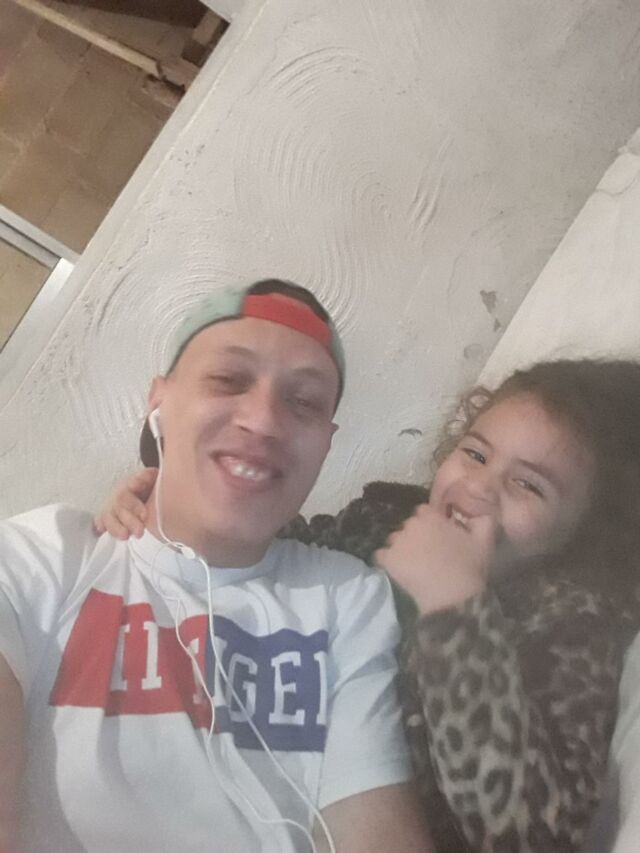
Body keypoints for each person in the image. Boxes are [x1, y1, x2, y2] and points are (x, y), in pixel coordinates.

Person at [102, 358, 640, 852]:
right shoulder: (382, 520)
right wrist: (167, 508)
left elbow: (530, 834)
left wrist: (456, 606)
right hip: (252, 789)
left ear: (588, 530)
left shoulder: (572, 624)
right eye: (475, 454)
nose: (478, 487)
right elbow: (272, 553)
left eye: (528, 485)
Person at [0, 279, 434, 853]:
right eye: (228, 379)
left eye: (304, 402)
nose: (264, 421)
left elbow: (370, 823)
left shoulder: (346, 596)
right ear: (159, 403)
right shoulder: (39, 555)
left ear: (326, 443)